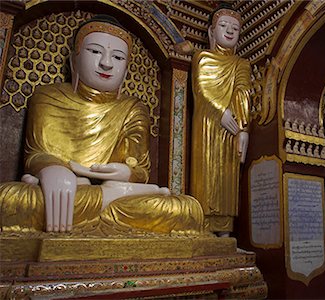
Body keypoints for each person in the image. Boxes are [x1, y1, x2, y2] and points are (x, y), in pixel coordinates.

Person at [0, 15, 204, 235]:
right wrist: (53, 170)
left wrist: (125, 173)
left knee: (186, 209)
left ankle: (104, 200)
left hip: (115, 196)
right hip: (66, 192)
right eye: (95, 51)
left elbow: (140, 170)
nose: (106, 62)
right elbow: (35, 154)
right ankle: (107, 199)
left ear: (126, 71)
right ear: (74, 60)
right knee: (11, 200)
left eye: (117, 57)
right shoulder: (47, 96)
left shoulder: (133, 108)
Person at [190, 4, 252, 236]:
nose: (229, 31)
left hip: (233, 126)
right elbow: (202, 90)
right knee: (206, 171)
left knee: (227, 174)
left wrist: (243, 128)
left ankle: (226, 230)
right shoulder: (202, 57)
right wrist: (220, 112)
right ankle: (203, 224)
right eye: (224, 26)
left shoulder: (241, 64)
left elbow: (243, 91)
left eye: (235, 28)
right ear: (211, 31)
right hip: (207, 124)